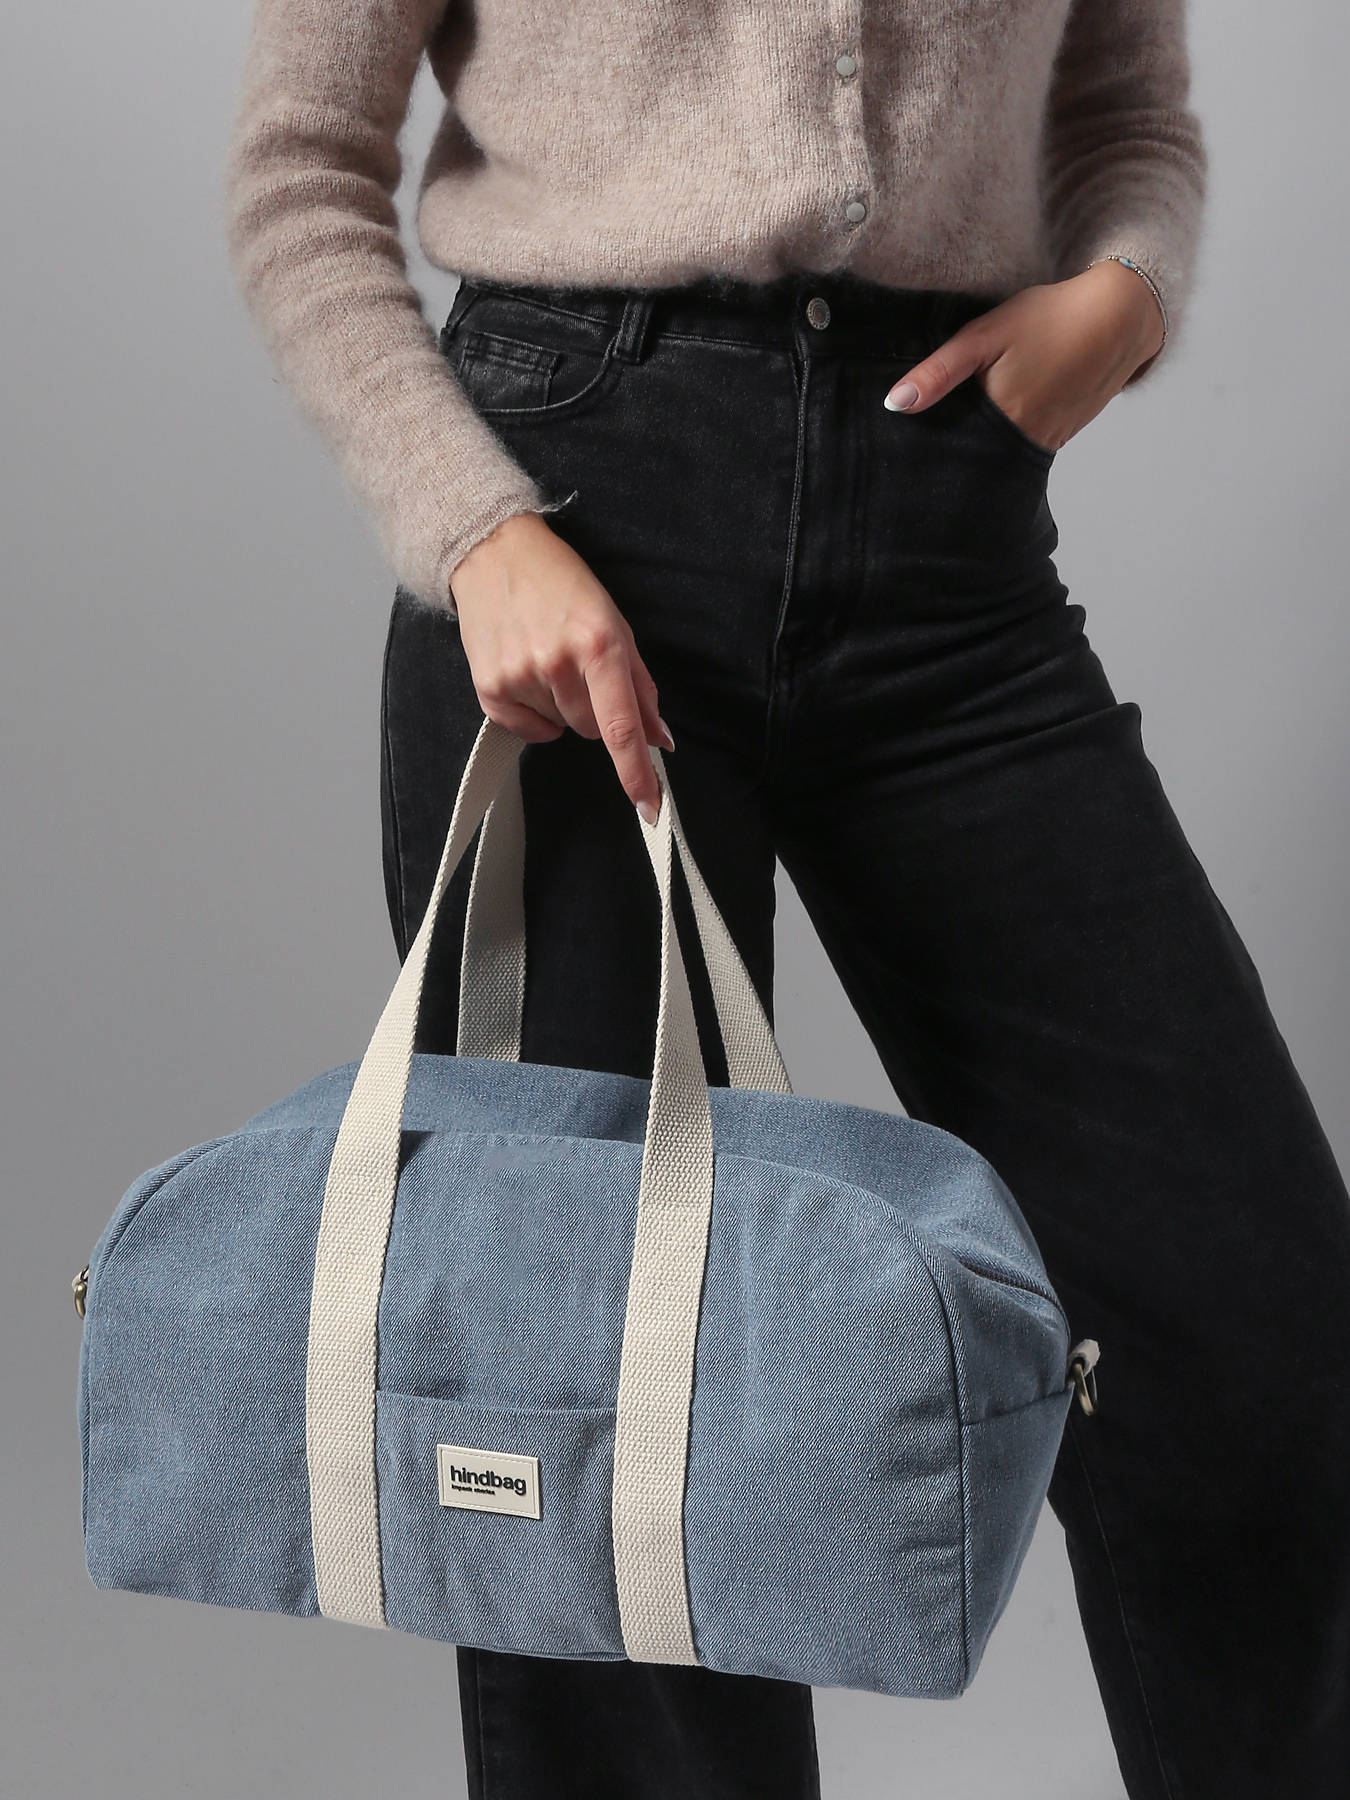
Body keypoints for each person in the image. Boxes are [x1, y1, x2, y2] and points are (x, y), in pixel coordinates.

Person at [223, 3, 1350, 1796]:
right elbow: (299, 170)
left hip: (948, 563)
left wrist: (1124, 297)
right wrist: (472, 531)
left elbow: (1127, 110)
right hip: (571, 528)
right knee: (605, 1386)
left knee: (1252, 1318)